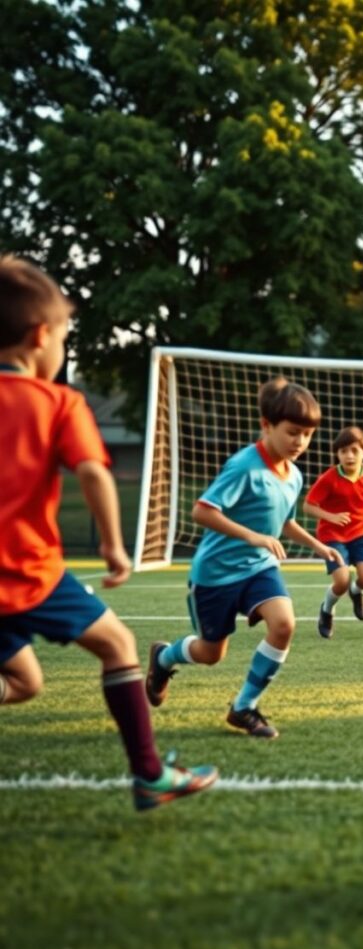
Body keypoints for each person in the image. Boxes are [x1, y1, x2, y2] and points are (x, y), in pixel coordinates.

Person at [0, 255, 217, 810]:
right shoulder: (57, 402)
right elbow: (94, 471)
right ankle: (149, 775)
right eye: (64, 338)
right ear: (40, 336)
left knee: (24, 682)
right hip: (27, 572)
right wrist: (113, 546)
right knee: (118, 645)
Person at [145, 378, 341, 738]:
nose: (300, 442)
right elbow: (202, 511)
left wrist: (318, 545)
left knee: (284, 624)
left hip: (259, 568)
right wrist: (252, 536)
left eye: (308, 435)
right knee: (210, 653)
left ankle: (244, 707)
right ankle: (163, 658)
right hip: (216, 574)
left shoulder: (294, 476)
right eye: (293, 432)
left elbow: (284, 521)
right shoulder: (244, 467)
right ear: (267, 425)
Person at [304, 425, 363, 639]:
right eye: (343, 451)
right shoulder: (329, 478)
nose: (349, 456)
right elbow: (308, 506)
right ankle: (327, 610)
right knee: (341, 581)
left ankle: (356, 591)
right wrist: (331, 517)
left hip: (361, 532)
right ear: (337, 454)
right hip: (332, 536)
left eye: (354, 450)